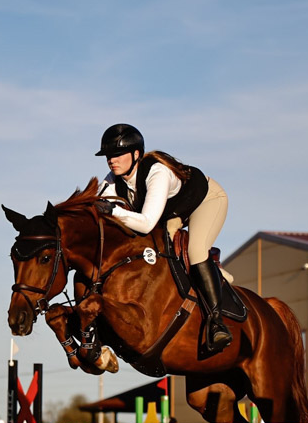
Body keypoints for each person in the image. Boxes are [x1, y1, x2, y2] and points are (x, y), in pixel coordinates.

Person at [94, 124, 233, 352]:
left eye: (118, 154)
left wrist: (113, 211)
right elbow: (98, 205)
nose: (112, 160)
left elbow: (146, 222)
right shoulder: (112, 180)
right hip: (173, 211)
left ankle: (216, 323)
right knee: (159, 251)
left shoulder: (157, 172)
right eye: (109, 155)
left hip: (206, 200)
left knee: (195, 251)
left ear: (136, 154)